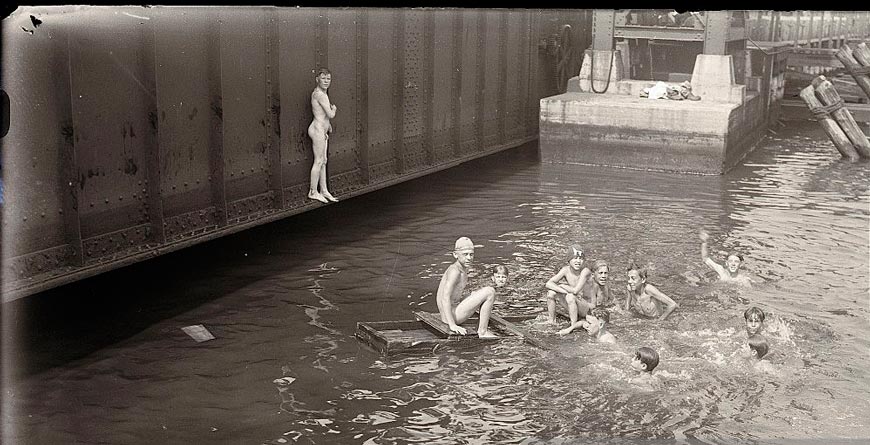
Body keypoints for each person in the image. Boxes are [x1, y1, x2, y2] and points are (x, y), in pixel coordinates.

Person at [436, 237, 497, 338]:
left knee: (475, 293)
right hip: (451, 316)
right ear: (455, 255)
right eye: (465, 254)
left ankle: (481, 325)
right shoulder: (455, 271)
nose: (469, 258)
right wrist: (452, 325)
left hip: (450, 313)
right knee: (490, 291)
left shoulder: (461, 268)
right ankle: (482, 331)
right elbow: (444, 298)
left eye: (471, 254)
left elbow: (454, 296)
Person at [308, 68, 338, 204]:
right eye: (323, 78)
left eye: (328, 79)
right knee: (318, 161)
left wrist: (328, 126)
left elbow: (322, 115)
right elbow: (330, 114)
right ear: (317, 79)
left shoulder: (320, 93)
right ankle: (313, 192)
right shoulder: (321, 95)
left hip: (322, 130)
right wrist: (334, 109)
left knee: (323, 161)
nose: (326, 81)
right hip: (317, 130)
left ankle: (324, 190)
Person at [544, 246, 592, 327]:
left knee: (570, 296)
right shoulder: (565, 270)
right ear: (569, 260)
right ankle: (551, 320)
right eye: (575, 258)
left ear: (584, 261)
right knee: (551, 293)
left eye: (580, 258)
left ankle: (573, 325)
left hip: (587, 308)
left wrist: (562, 286)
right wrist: (563, 290)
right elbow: (548, 284)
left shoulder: (585, 271)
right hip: (574, 302)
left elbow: (575, 291)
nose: (578, 261)